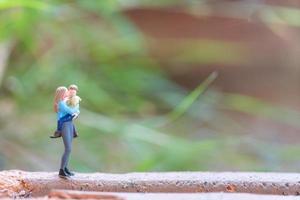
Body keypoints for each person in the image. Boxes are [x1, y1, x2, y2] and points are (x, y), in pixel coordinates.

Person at [52, 86, 79, 178]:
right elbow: (70, 111)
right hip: (65, 124)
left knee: (69, 148)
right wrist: (76, 111)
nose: (68, 94)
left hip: (70, 124)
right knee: (68, 148)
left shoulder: (66, 102)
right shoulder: (61, 104)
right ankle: (61, 170)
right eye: (67, 92)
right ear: (62, 94)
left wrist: (76, 110)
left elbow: (75, 108)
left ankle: (65, 168)